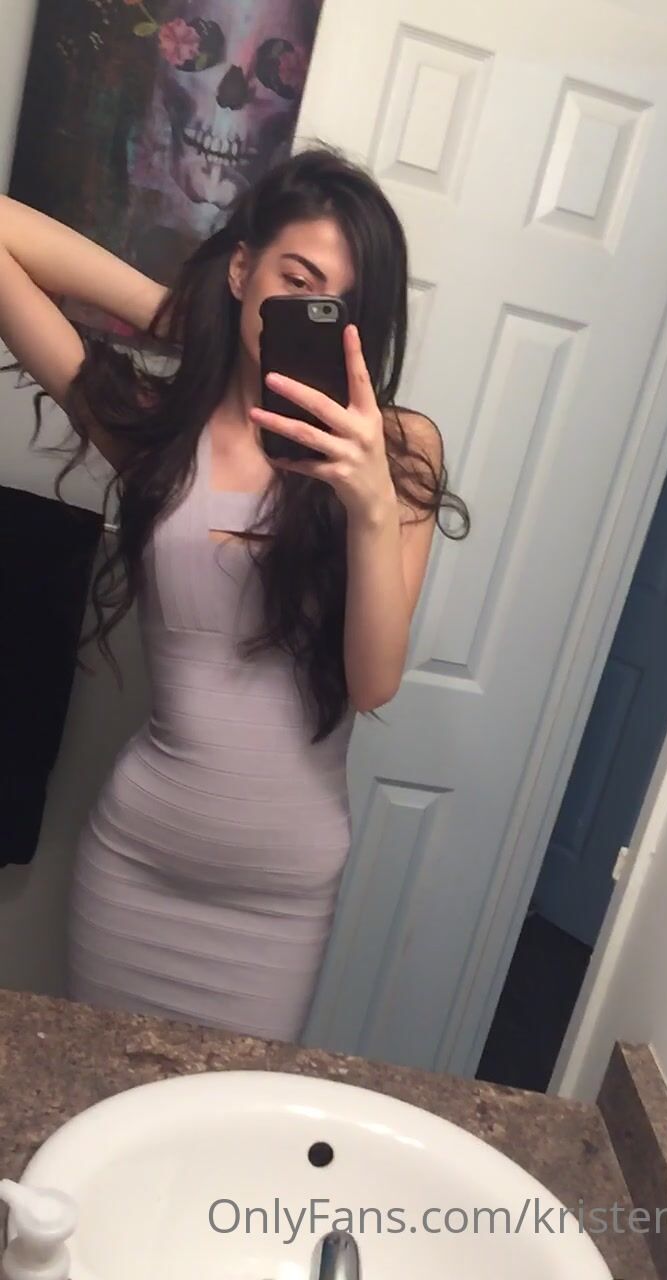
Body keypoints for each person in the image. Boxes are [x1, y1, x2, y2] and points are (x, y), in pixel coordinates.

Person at [0, 146, 469, 1042]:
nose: (311, 315)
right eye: (296, 282)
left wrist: (371, 505)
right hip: (135, 868)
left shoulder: (401, 449)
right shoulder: (155, 432)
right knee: (108, 1106)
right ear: (243, 267)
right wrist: (181, 316)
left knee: (230, 1124)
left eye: (339, 305)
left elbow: (372, 682)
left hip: (278, 903)